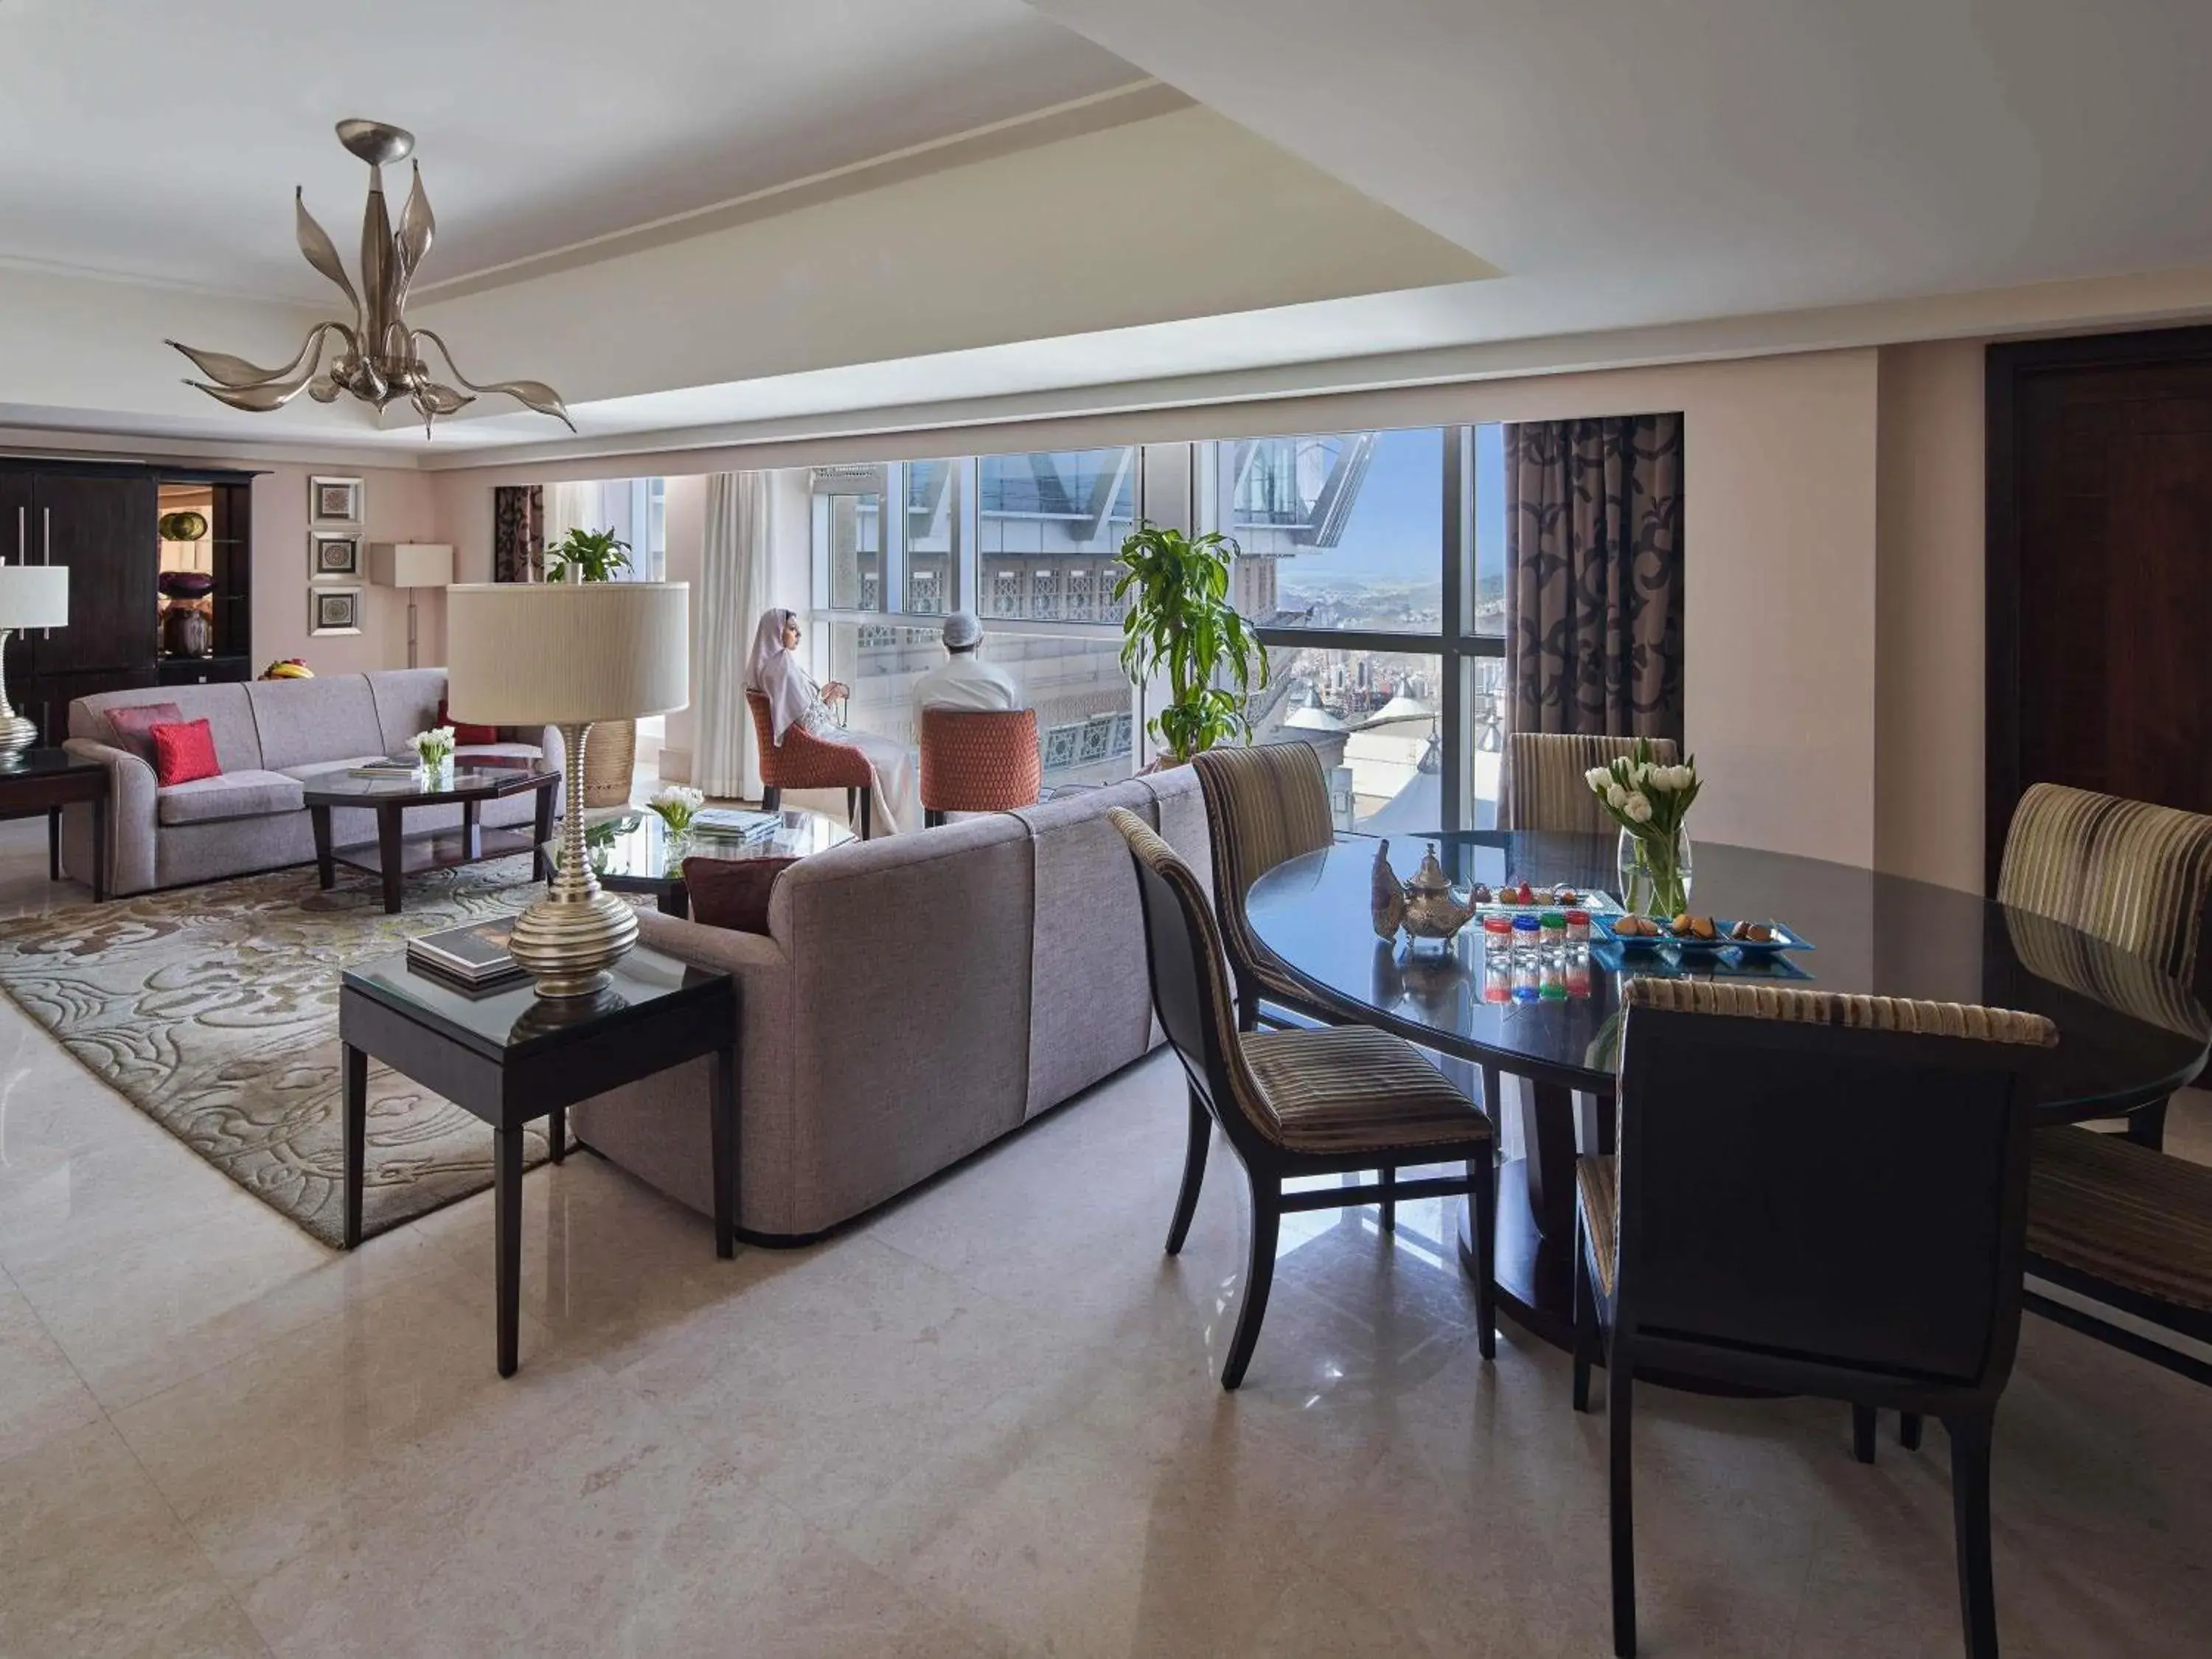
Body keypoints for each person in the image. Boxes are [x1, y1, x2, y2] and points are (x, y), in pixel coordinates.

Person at [745, 608, 921, 835]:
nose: (798, 634)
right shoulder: (781, 668)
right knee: (893, 755)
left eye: (798, 629)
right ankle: (897, 832)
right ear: (775, 631)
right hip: (816, 743)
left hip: (814, 737)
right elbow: (807, 724)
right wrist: (828, 701)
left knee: (890, 752)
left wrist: (824, 699)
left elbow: (798, 715)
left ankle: (887, 831)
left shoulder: (775, 664)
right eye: (792, 629)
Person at [911, 611, 1023, 723]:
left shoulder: (924, 687)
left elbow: (921, 735)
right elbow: (1017, 729)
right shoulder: (1004, 682)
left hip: (944, 741)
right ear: (979, 641)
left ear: (945, 642)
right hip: (994, 741)